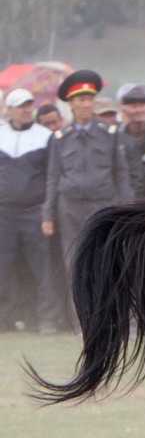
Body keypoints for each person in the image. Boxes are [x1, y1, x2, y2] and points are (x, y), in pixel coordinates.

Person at [41, 69, 134, 269]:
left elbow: (121, 173)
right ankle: (77, 302)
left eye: (89, 99)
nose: (86, 104)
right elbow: (53, 177)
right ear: (71, 103)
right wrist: (48, 214)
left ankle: (103, 301)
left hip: (102, 205)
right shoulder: (60, 138)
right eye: (81, 99)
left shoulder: (109, 134)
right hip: (70, 209)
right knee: (73, 261)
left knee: (103, 259)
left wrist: (127, 208)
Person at [0, 89, 60, 333]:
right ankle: (4, 318)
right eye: (20, 106)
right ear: (10, 109)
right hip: (4, 212)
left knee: (41, 267)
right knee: (3, 266)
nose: (26, 110)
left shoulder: (45, 136)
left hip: (35, 211)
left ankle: (46, 318)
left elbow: (52, 177)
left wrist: (48, 212)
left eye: (29, 105)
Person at [116, 83, 145, 198]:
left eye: (142, 105)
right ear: (125, 110)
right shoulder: (117, 139)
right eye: (134, 106)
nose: (139, 110)